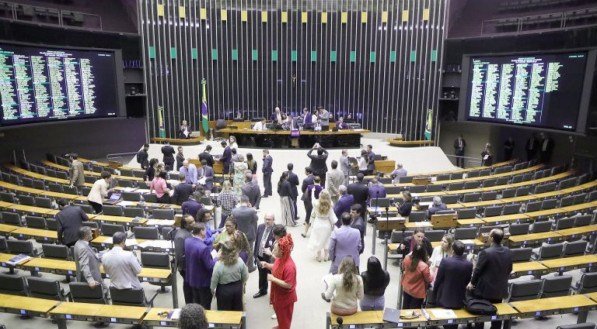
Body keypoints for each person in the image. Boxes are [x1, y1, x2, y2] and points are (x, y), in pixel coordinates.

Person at [467, 229, 512, 329]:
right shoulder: (508, 251)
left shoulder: (486, 252)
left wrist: (471, 283)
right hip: (500, 290)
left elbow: (477, 271)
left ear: (491, 238)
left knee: (481, 311)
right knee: (496, 313)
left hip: (485, 290)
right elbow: (510, 269)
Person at [433, 241, 473, 329]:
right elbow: (467, 281)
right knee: (454, 323)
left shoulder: (445, 261)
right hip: (459, 299)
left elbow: (438, 279)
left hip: (444, 297)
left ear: (453, 250)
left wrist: (434, 294)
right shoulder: (469, 264)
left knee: (445, 321)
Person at [262, 233, 297, 329]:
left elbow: (289, 285)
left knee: (285, 320)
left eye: (275, 250)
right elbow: (276, 267)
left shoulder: (290, 266)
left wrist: (273, 279)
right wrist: (267, 265)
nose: (273, 251)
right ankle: (281, 325)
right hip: (278, 293)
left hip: (285, 298)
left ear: (282, 251)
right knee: (280, 315)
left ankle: (283, 326)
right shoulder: (280, 258)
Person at [211, 240, 249, 311]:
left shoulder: (218, 265)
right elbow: (245, 276)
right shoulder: (240, 261)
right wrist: (241, 284)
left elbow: (214, 280)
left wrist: (212, 290)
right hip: (237, 288)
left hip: (223, 290)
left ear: (222, 251)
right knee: (237, 310)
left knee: (224, 311)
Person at [186, 223, 216, 309]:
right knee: (205, 305)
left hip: (192, 279)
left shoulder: (187, 241)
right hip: (204, 282)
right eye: (205, 230)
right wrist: (217, 258)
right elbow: (210, 266)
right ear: (201, 231)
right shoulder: (203, 248)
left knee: (197, 303)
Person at [308, 190, 337, 262]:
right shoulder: (330, 204)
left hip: (318, 223)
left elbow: (312, 200)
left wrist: (313, 191)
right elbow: (332, 216)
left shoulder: (315, 203)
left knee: (318, 239)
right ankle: (326, 256)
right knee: (327, 240)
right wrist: (333, 224)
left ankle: (319, 256)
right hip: (326, 223)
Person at [232, 195, 258, 272]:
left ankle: (238, 267)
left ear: (240, 201)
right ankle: (250, 267)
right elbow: (256, 219)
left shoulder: (234, 211)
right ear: (248, 201)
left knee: (238, 250)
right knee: (249, 251)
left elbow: (233, 222)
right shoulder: (251, 211)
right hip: (249, 234)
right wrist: (251, 208)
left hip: (238, 234)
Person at [401, 244, 432, 309]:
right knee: (414, 312)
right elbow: (429, 279)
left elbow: (403, 267)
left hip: (407, 288)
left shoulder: (406, 258)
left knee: (405, 307)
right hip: (417, 292)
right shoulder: (423, 266)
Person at [253, 213, 276, 298]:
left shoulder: (276, 229)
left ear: (273, 220)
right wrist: (255, 255)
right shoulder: (260, 227)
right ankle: (262, 290)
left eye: (269, 219)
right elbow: (257, 241)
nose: (267, 221)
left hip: (270, 259)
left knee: (273, 276)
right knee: (262, 275)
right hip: (260, 257)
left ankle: (275, 294)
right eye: (266, 219)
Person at [175, 215, 195, 303]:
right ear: (185, 225)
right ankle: (189, 303)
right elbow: (180, 256)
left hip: (190, 265)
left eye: (193, 220)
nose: (194, 223)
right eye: (191, 222)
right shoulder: (181, 236)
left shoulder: (188, 231)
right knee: (188, 286)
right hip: (185, 267)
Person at [301, 168, 319, 237]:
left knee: (308, 215)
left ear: (308, 172)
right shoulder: (319, 183)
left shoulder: (306, 181)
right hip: (316, 201)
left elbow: (303, 189)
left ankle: (305, 232)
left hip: (308, 200)